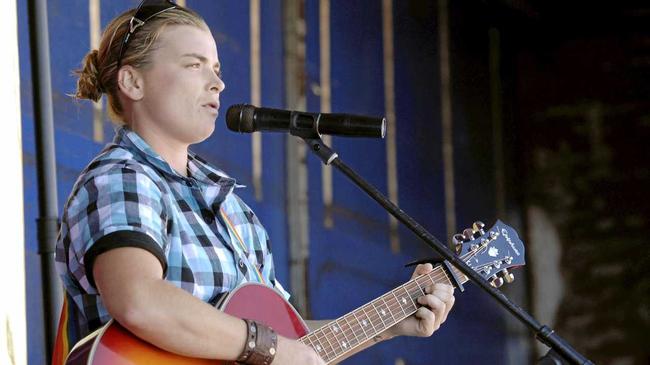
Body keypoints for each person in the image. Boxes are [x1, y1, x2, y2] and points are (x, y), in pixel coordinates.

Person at [55, 1, 456, 364]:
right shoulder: (122, 178)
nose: (217, 83)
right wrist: (270, 348)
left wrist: (391, 323)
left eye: (217, 70)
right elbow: (139, 300)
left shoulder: (233, 211)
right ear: (132, 83)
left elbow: (291, 346)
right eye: (194, 65)